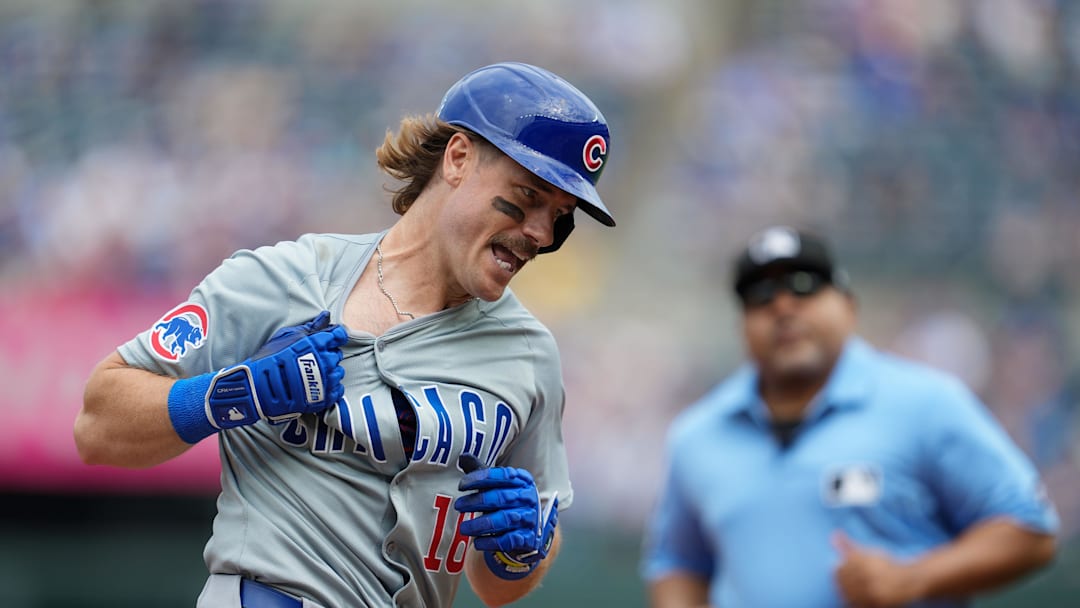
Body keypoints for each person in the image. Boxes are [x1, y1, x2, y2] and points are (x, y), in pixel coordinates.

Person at [74, 61, 616, 608]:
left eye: (561, 217)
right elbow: (98, 426)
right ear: (458, 158)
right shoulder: (288, 279)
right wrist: (234, 394)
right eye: (526, 197)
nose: (540, 234)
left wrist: (522, 552)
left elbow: (496, 587)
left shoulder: (527, 355)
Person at [640, 225, 1059, 608]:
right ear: (741, 325)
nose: (783, 307)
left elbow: (1031, 530)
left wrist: (914, 577)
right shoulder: (697, 435)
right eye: (760, 296)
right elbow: (678, 563)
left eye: (804, 286)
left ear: (849, 306)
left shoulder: (925, 403)